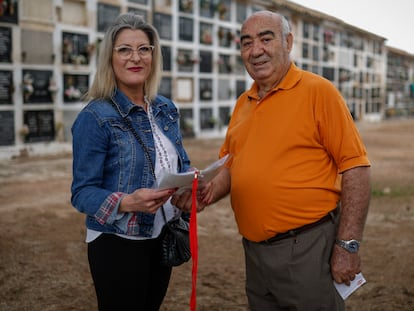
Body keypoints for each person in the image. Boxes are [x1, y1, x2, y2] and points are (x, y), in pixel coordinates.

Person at [172, 10, 371, 311]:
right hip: (254, 253)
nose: (256, 51)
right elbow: (231, 165)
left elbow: (356, 168)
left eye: (266, 39)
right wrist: (207, 192)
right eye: (247, 42)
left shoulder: (319, 92)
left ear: (288, 42)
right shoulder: (243, 103)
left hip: (306, 248)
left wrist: (348, 245)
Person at [71, 13, 191, 311]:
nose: (135, 57)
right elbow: (82, 192)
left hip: (162, 234)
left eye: (144, 49)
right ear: (110, 58)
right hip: (117, 243)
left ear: (153, 55)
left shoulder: (165, 108)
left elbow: (180, 163)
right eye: (124, 49)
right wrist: (127, 202)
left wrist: (190, 184)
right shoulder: (95, 117)